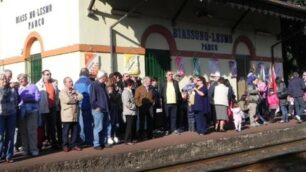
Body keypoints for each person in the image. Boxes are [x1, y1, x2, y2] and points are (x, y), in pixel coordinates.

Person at [36, 69, 60, 149]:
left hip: (53, 107)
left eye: (50, 74)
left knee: (52, 125)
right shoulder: (38, 85)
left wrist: (56, 104)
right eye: (47, 74)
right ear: (43, 75)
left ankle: (53, 142)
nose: (49, 75)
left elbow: (56, 94)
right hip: (43, 108)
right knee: (44, 126)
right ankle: (44, 142)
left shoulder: (54, 82)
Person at [17, 73, 40, 156]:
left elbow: (38, 97)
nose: (21, 80)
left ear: (26, 79)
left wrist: (28, 99)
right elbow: (17, 100)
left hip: (32, 111)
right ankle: (25, 149)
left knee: (32, 131)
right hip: (21, 111)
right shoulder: (18, 88)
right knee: (23, 131)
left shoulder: (33, 86)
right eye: (19, 79)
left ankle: (34, 149)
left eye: (22, 78)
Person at [59, 77, 83, 152]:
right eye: (69, 81)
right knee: (66, 131)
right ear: (65, 83)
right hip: (67, 115)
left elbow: (81, 96)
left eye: (71, 81)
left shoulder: (75, 90)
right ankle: (65, 145)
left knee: (75, 131)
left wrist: (75, 96)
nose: (71, 83)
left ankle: (74, 144)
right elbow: (67, 100)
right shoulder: (62, 92)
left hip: (75, 114)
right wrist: (75, 98)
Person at [90, 70, 110, 150]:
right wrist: (96, 107)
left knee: (104, 127)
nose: (106, 78)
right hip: (98, 110)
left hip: (104, 109)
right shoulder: (94, 85)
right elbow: (92, 99)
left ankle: (102, 142)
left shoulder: (103, 85)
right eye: (105, 76)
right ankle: (96, 144)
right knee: (98, 127)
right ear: (102, 77)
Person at [0, 73, 18, 162]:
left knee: (10, 135)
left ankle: (9, 156)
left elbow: (16, 101)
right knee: (0, 136)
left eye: (5, 79)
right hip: (1, 115)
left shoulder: (12, 90)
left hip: (11, 114)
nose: (4, 80)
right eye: (2, 79)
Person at [74, 68, 93, 146]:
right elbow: (91, 94)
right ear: (87, 73)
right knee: (88, 123)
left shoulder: (76, 82)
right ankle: (88, 140)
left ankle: (81, 139)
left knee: (81, 123)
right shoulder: (89, 82)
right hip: (87, 105)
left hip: (79, 105)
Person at [160, 71, 182, 135]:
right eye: (169, 74)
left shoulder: (175, 82)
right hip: (166, 103)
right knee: (166, 117)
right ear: (166, 75)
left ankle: (173, 129)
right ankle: (166, 129)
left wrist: (180, 100)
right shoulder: (163, 83)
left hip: (174, 102)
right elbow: (161, 93)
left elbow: (178, 92)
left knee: (174, 117)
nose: (171, 76)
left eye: (172, 74)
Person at [122, 79, 137, 145]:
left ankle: (130, 139)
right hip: (129, 111)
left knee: (131, 126)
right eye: (132, 84)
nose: (133, 85)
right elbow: (126, 103)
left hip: (131, 111)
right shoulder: (126, 92)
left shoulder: (129, 91)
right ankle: (127, 140)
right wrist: (133, 106)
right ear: (130, 84)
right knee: (129, 126)